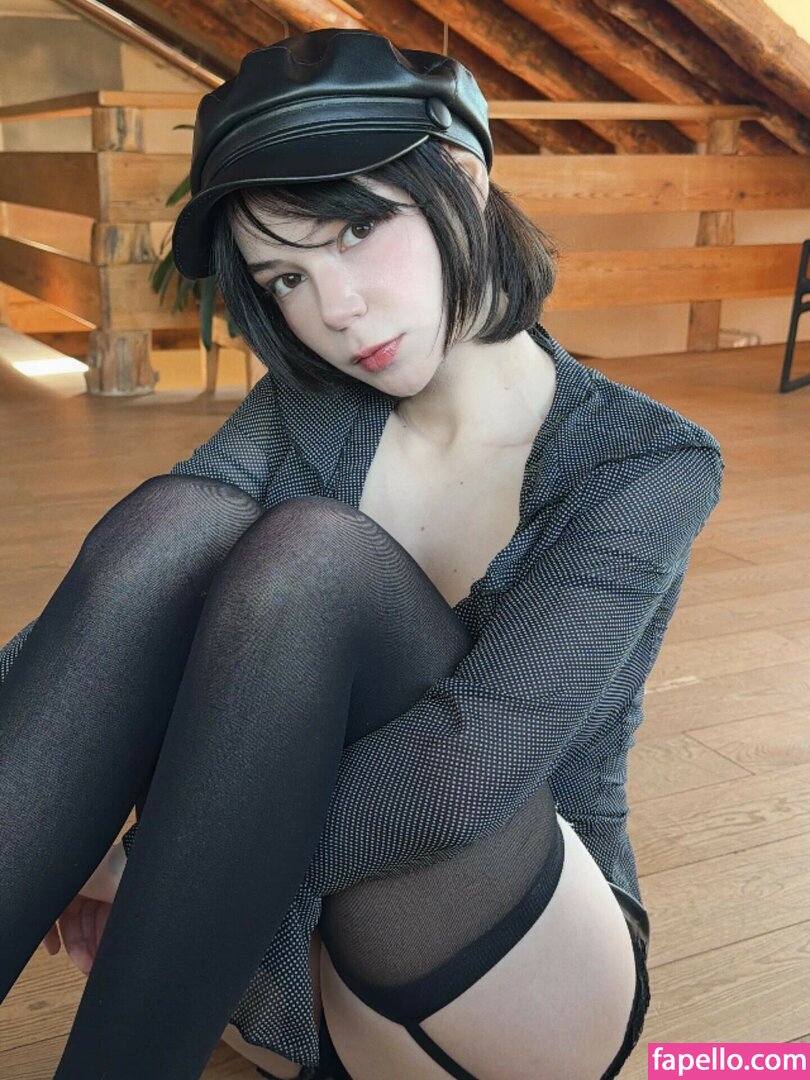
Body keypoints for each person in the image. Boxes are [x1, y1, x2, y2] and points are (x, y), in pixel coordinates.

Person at [0, 27, 725, 1080]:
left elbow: (458, 779)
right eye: (285, 277)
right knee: (175, 525)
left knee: (316, 560)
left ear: (464, 180)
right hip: (293, 977)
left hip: (497, 969)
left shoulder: (643, 463)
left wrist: (142, 862)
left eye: (357, 229)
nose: (333, 310)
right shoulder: (309, 409)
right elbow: (103, 623)